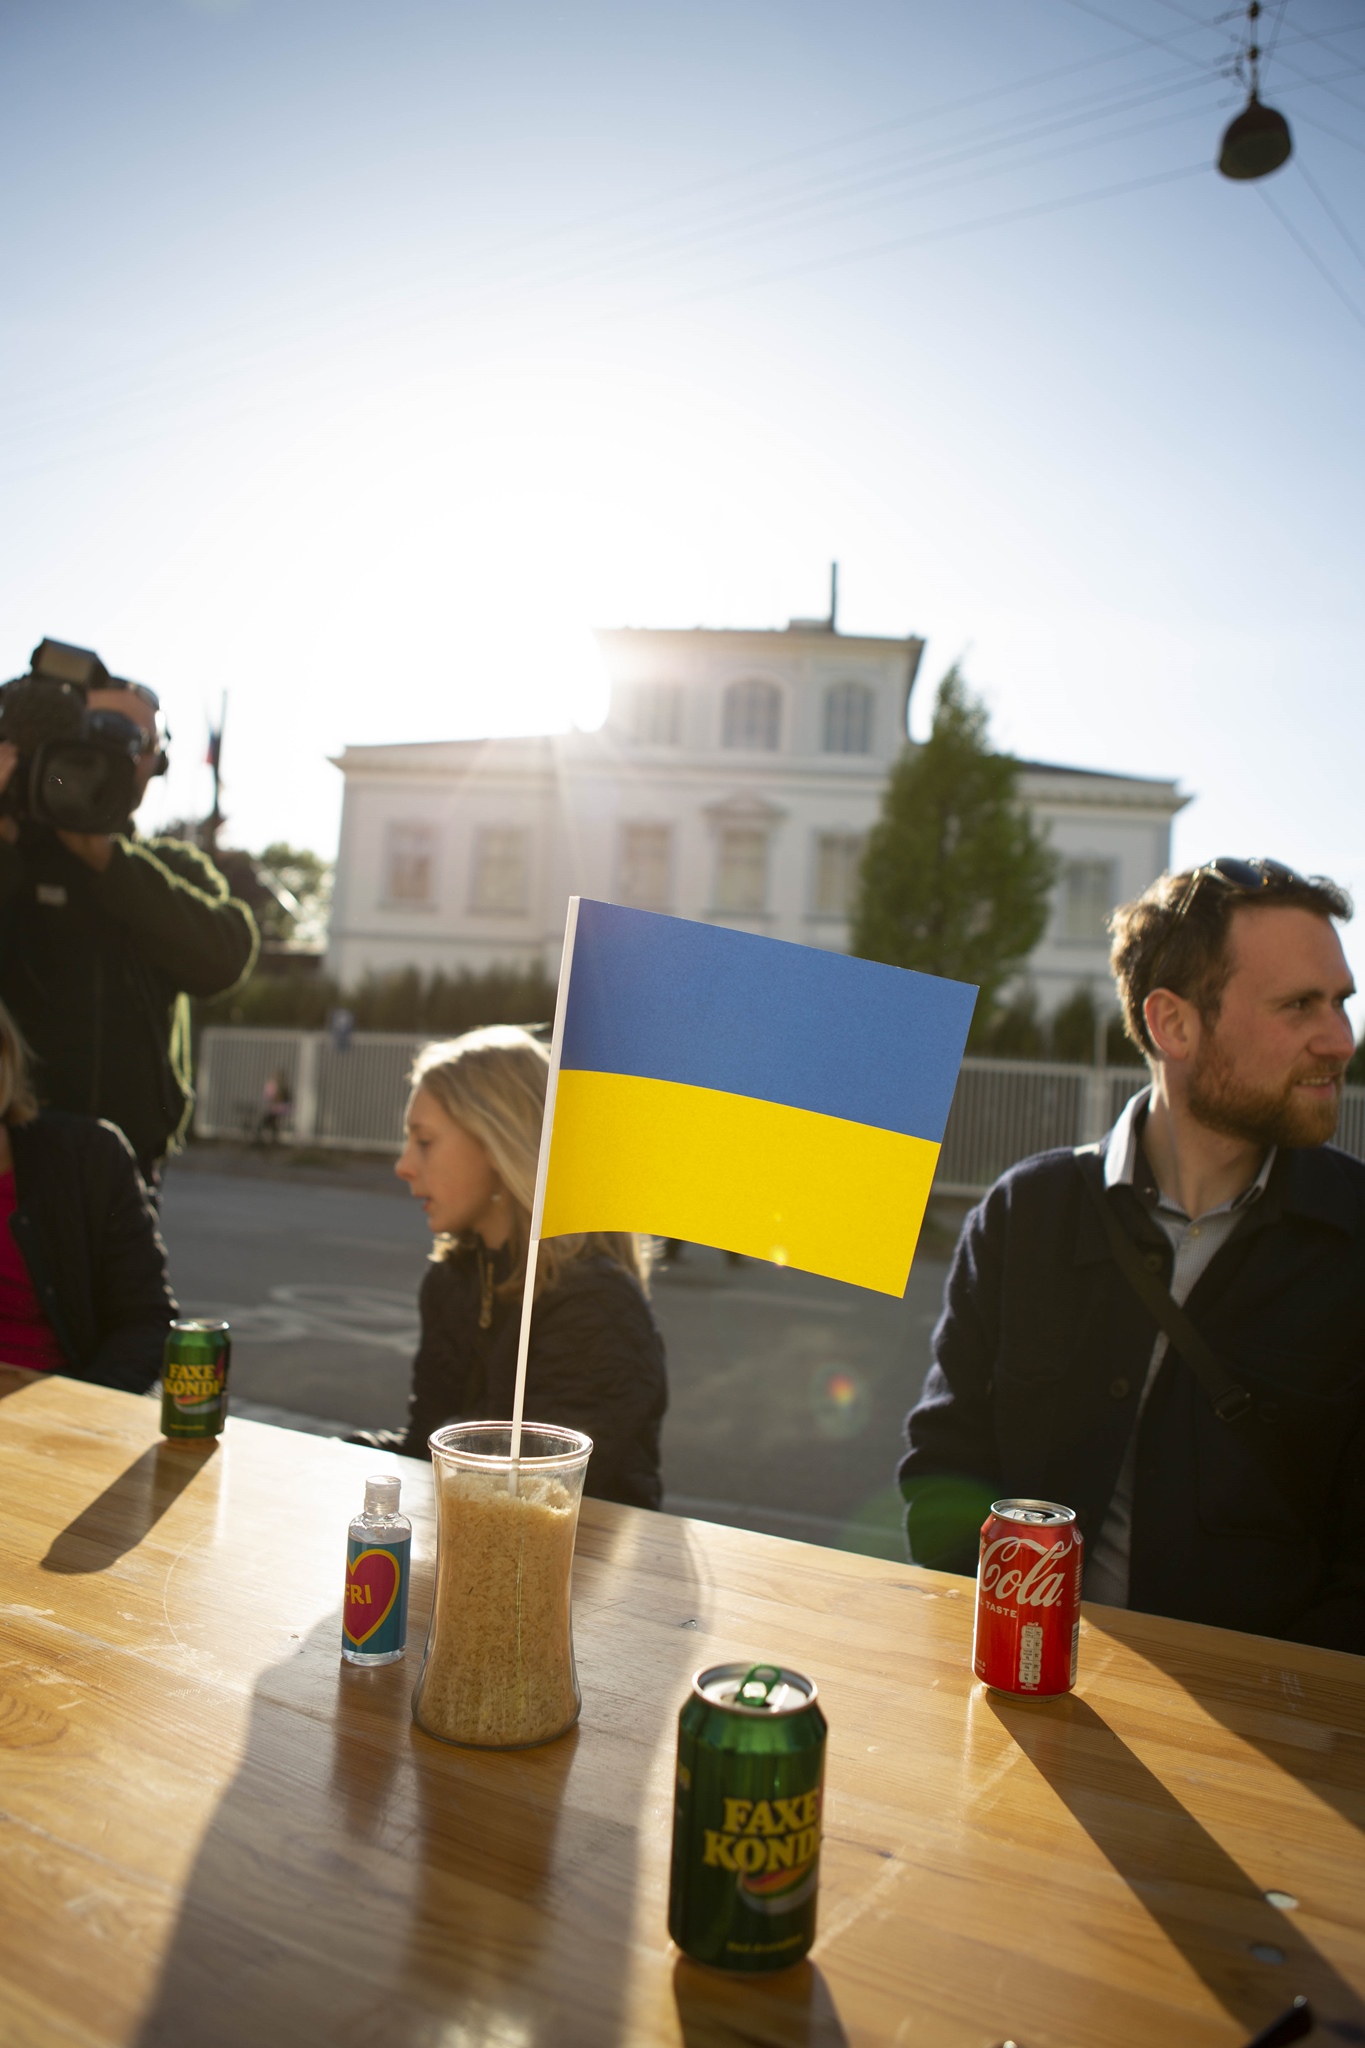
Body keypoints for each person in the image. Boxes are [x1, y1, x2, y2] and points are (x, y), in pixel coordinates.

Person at [900, 858, 1364, 1654]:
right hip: (1024, 1706)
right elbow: (944, 1472)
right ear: (1172, 1024)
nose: (1339, 1039)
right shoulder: (1023, 1215)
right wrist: (1012, 1653)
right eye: (1298, 1006)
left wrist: (1273, 1724)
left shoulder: (1353, 1239)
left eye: (1339, 1002)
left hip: (1268, 1753)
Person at [0, 657, 258, 1185]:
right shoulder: (14, 858)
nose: (104, 753)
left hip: (119, 1173)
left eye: (131, 740)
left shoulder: (167, 870)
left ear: (155, 763)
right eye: (90, 731)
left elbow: (225, 956)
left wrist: (105, 858)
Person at [386, 1025, 668, 1509]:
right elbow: (425, 1452)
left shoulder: (597, 1307)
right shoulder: (451, 1281)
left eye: (425, 1141)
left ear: (499, 1142)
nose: (404, 1165)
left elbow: (533, 1497)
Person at [0, 997, 175, 1392]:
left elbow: (144, 1322)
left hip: (59, 1421)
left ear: (6, 1056)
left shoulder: (88, 1158)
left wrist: (78, 1415)